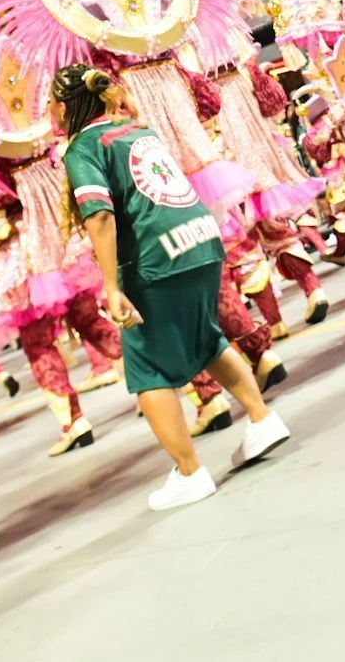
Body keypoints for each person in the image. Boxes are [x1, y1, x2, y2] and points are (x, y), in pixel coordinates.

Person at [54, 66, 289, 512]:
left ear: (65, 107)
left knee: (147, 370)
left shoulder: (82, 147)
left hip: (155, 257)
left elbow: (99, 214)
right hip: (201, 237)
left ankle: (189, 473)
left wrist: (110, 284)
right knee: (207, 338)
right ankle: (262, 418)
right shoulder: (136, 128)